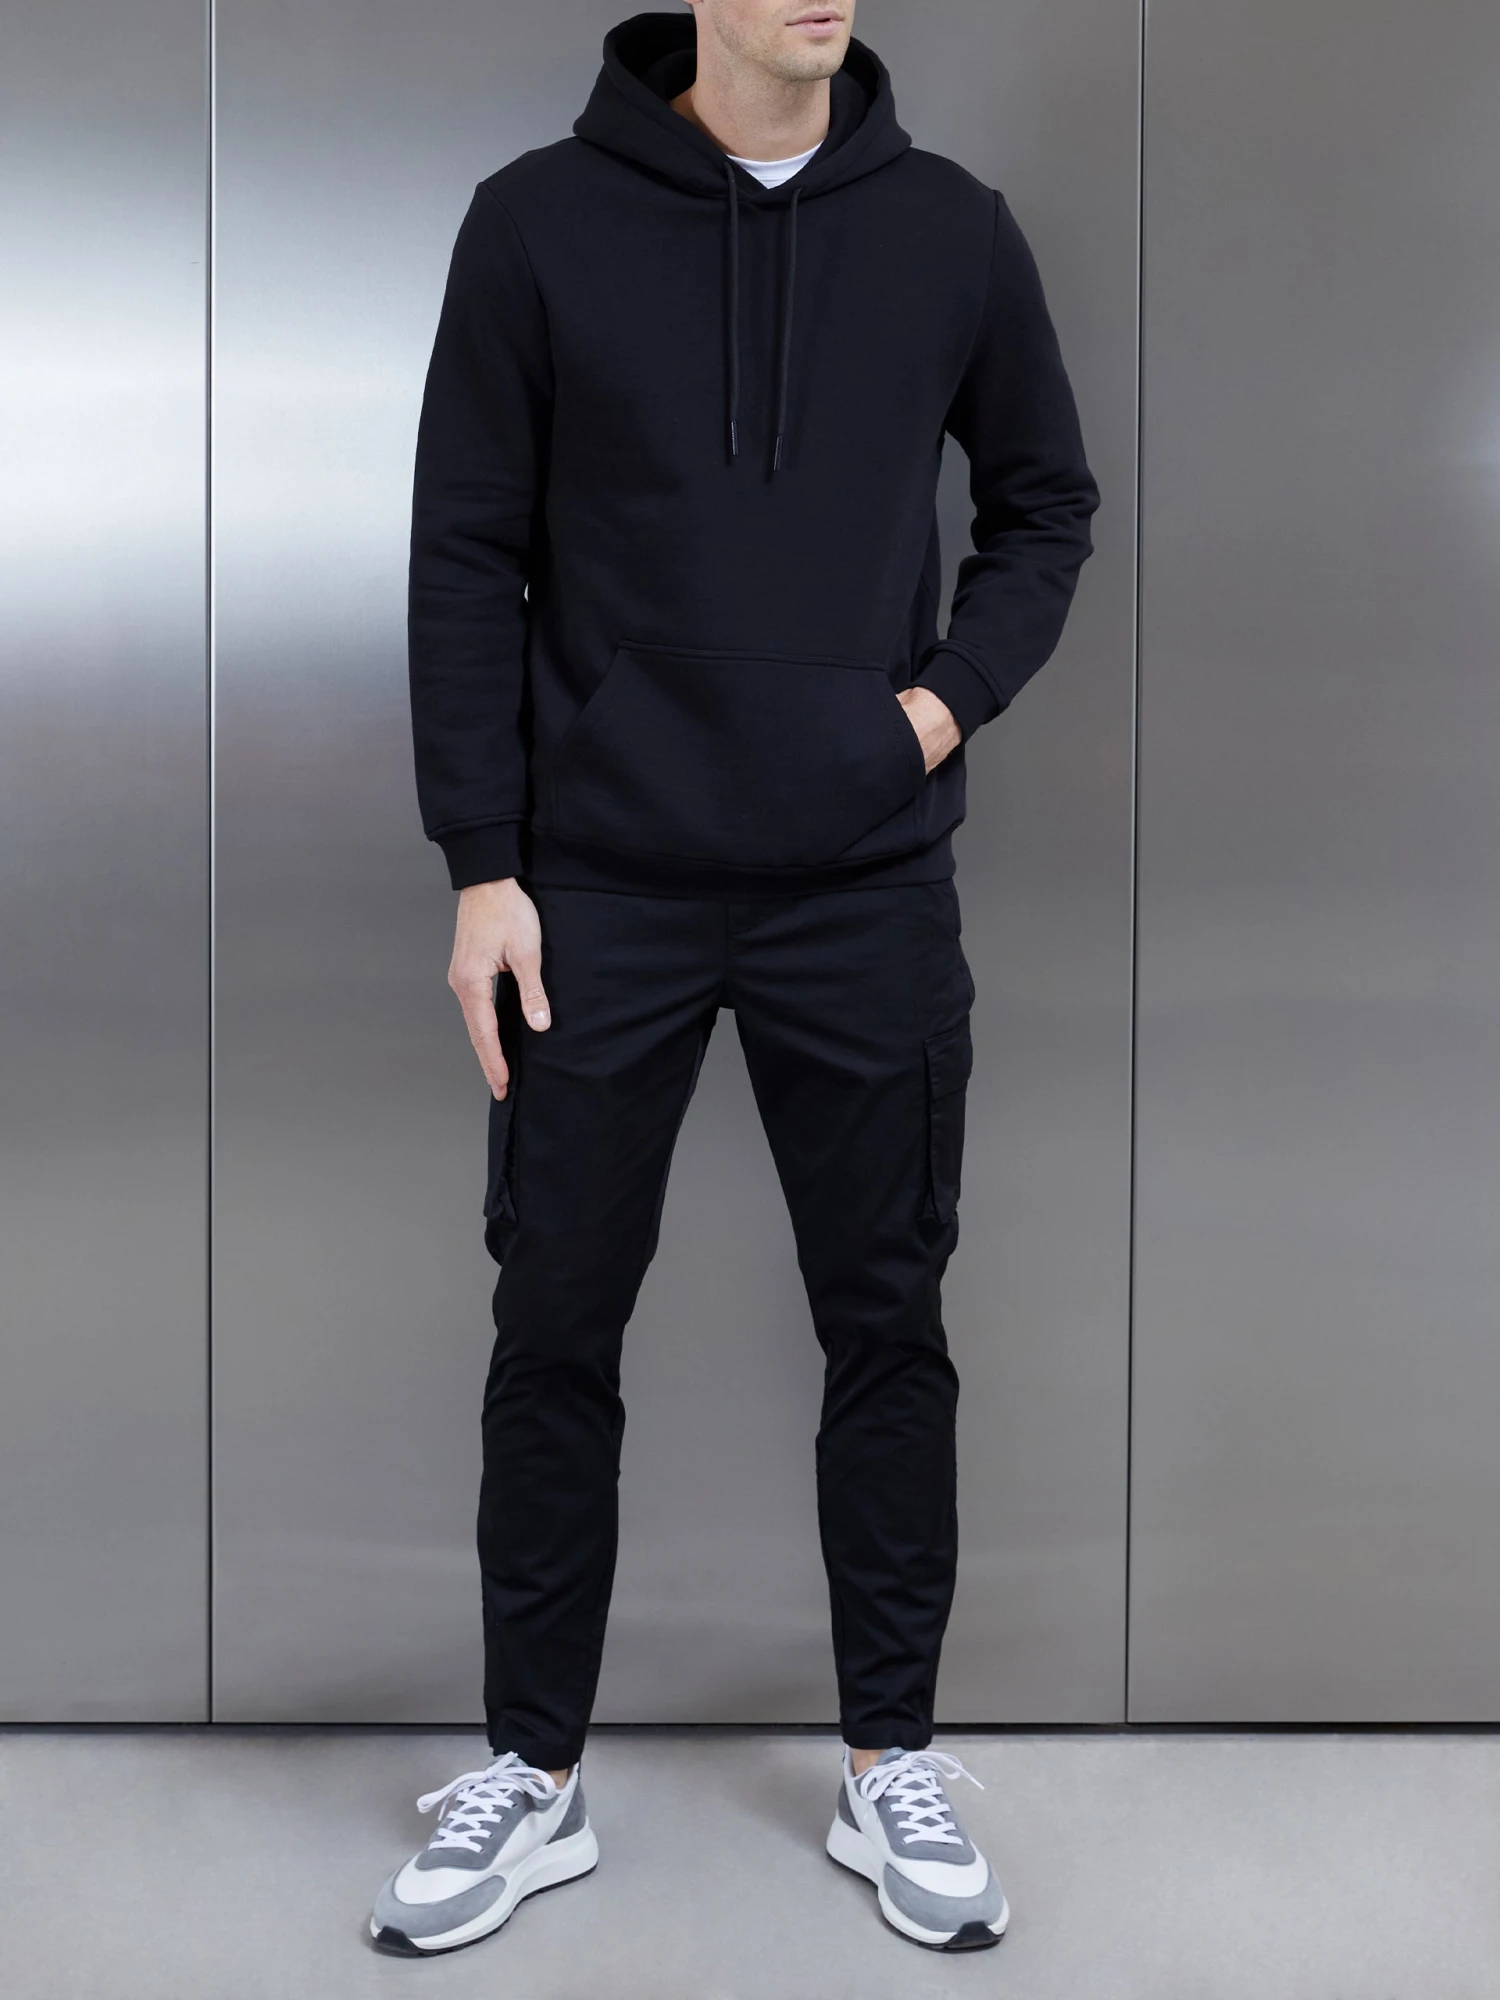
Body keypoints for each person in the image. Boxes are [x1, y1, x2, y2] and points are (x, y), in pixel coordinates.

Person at [369, 0, 1097, 1959]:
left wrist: (929, 715)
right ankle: (533, 1774)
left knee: (889, 1323)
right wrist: (483, 864)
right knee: (554, 1326)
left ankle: (889, 1761)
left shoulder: (952, 229)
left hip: (863, 885)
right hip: (595, 888)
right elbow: (465, 550)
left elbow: (1047, 504)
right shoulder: (536, 222)